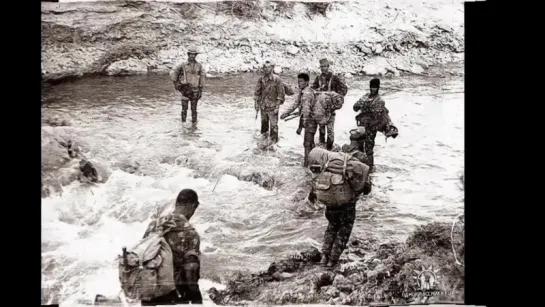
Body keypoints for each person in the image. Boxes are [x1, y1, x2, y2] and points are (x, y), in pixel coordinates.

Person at [308, 129, 372, 267]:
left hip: (330, 197)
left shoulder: (337, 155)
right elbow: (366, 187)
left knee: (332, 226)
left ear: (351, 139)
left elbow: (317, 173)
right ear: (362, 142)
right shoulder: (361, 158)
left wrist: (313, 193)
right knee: (344, 230)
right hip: (347, 202)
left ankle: (324, 256)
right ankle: (333, 261)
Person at [140, 189, 203, 305]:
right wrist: (196, 297)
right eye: (195, 208)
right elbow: (191, 269)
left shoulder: (154, 224)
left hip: (148, 292)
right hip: (172, 295)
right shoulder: (191, 234)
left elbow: (143, 253)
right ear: (192, 205)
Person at [353, 78, 392, 173]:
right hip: (362, 126)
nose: (372, 89)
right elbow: (355, 108)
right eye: (371, 87)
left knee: (369, 148)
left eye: (374, 87)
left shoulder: (380, 100)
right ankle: (361, 167)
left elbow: (377, 116)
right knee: (359, 146)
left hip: (371, 128)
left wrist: (366, 106)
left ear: (378, 88)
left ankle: (370, 168)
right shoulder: (365, 96)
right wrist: (360, 104)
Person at [280, 73, 317, 167]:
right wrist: (286, 113)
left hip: (310, 121)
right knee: (310, 143)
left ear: (307, 82)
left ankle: (307, 165)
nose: (299, 83)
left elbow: (306, 111)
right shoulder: (302, 91)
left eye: (301, 82)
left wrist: (302, 125)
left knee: (307, 143)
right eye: (298, 81)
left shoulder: (307, 94)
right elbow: (295, 104)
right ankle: (313, 162)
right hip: (308, 120)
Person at [311, 58, 348, 150]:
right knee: (321, 129)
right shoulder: (318, 78)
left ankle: (329, 148)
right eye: (321, 66)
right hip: (321, 108)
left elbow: (343, 90)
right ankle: (322, 147)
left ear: (328, 66)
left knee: (330, 129)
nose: (323, 68)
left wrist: (337, 99)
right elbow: (313, 89)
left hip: (331, 108)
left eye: (325, 66)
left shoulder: (334, 78)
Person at [170, 48, 206, 124]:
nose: (193, 56)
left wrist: (201, 90)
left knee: (194, 109)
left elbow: (202, 78)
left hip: (195, 90)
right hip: (185, 91)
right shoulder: (182, 65)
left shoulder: (199, 66)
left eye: (194, 54)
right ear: (188, 55)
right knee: (184, 109)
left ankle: (194, 127)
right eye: (191, 54)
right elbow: (173, 73)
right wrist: (175, 84)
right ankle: (183, 125)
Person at [254, 61, 286, 143]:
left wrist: (277, 107)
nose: (266, 69)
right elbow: (257, 92)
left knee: (274, 127)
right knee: (264, 126)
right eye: (265, 67)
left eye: (268, 67)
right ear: (263, 69)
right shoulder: (261, 79)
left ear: (272, 68)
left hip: (273, 107)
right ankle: (263, 143)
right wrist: (256, 104)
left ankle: (274, 144)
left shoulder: (277, 79)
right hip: (263, 106)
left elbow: (280, 94)